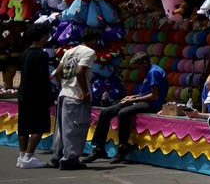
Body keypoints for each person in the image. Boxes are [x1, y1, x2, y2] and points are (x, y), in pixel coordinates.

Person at [89, 55, 168, 163]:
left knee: (123, 113)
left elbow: (154, 96)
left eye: (138, 67)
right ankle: (99, 147)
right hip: (142, 100)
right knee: (106, 112)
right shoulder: (149, 71)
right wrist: (133, 97)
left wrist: (132, 101)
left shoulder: (153, 72)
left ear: (144, 63)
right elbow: (145, 93)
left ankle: (123, 147)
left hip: (152, 104)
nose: (138, 70)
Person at [52, 37, 97, 170]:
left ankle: (57, 157)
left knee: (62, 129)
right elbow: (79, 71)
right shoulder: (89, 52)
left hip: (64, 94)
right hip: (76, 96)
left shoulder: (69, 51)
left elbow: (58, 72)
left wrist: (63, 86)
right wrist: (85, 92)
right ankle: (70, 160)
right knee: (75, 129)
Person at [15, 25, 53, 168]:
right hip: (37, 95)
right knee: (39, 126)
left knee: (23, 125)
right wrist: (49, 97)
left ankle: (22, 155)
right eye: (46, 35)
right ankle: (29, 156)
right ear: (41, 37)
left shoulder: (24, 54)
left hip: (24, 94)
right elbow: (43, 78)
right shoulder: (41, 55)